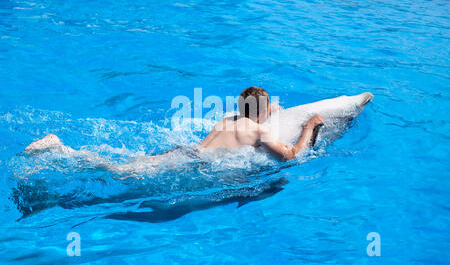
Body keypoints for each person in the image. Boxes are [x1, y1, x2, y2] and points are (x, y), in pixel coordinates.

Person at [24, 87, 324, 169]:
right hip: (192, 163)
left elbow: (256, 106)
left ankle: (65, 150)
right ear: (260, 114)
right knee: (118, 171)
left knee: (127, 161)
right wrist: (309, 124)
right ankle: (62, 150)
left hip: (185, 150)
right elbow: (289, 155)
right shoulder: (258, 131)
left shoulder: (231, 119)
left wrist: (272, 107)